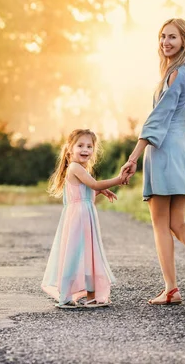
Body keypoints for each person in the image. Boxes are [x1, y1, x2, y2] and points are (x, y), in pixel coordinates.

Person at [120, 18, 185, 306]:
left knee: (160, 224)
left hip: (165, 151)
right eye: (162, 37)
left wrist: (133, 157)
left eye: (172, 37)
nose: (166, 42)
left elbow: (157, 121)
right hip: (182, 151)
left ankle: (171, 289)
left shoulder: (175, 74)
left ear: (184, 41)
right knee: (178, 223)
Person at [42, 128, 125, 308]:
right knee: (74, 254)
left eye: (89, 146)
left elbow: (88, 194)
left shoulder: (82, 169)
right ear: (69, 149)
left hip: (85, 216)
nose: (85, 149)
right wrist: (117, 180)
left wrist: (100, 191)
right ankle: (65, 296)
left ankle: (91, 296)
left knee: (89, 255)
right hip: (78, 218)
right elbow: (93, 184)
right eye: (80, 145)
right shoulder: (74, 167)